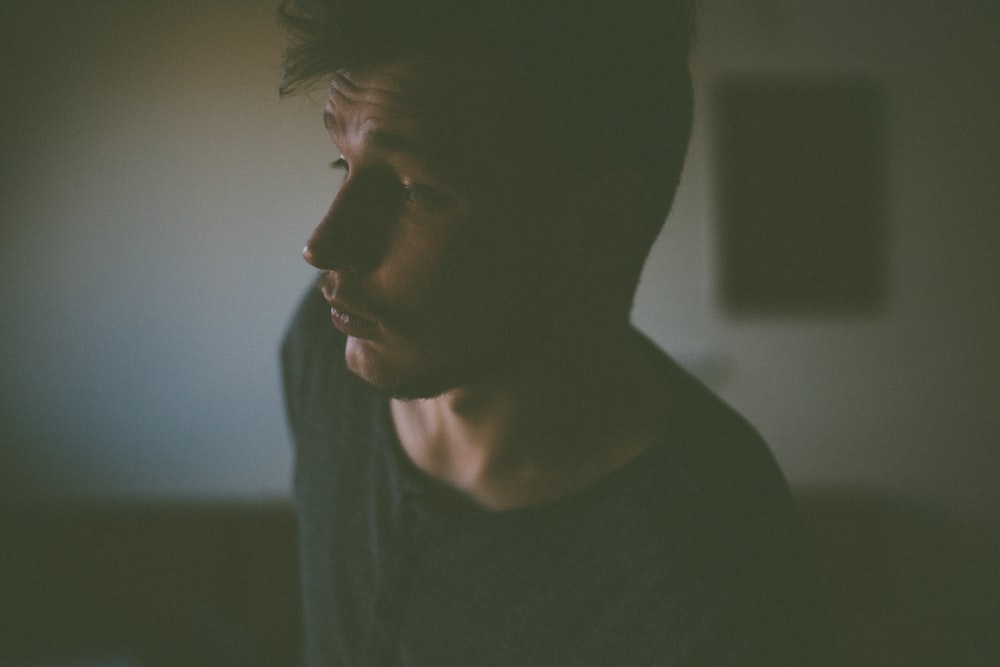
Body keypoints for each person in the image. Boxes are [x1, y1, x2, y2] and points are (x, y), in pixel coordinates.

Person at [277, 0, 836, 664]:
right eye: (341, 163)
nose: (323, 246)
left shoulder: (723, 572)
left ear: (601, 226)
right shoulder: (327, 345)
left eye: (414, 190)